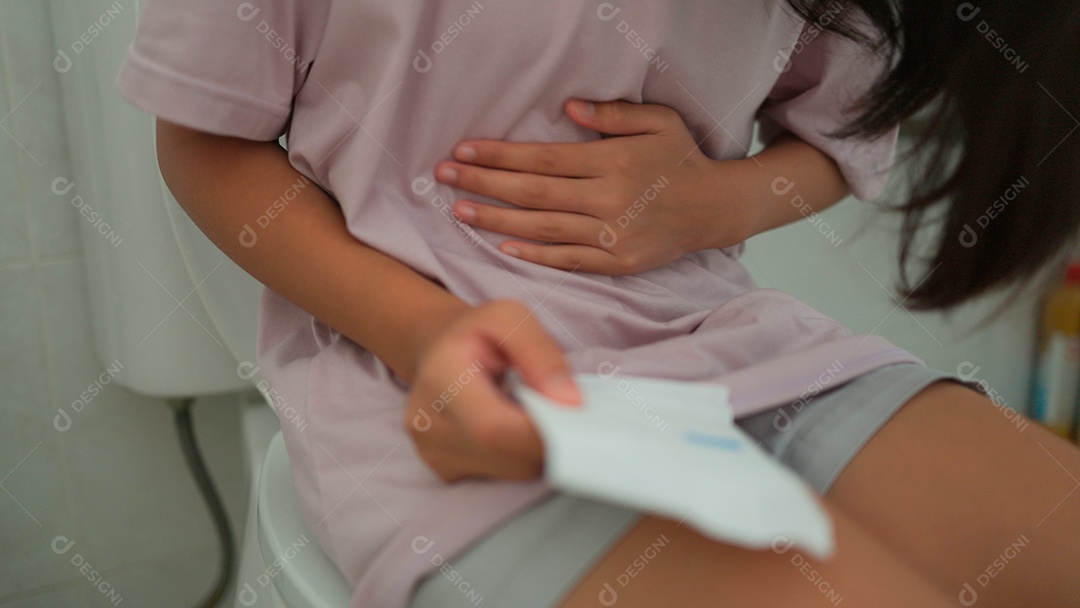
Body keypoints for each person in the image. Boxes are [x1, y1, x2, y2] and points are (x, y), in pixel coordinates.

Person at [118, 0, 1080, 606]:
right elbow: (205, 137)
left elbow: (847, 132)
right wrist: (425, 330)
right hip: (415, 377)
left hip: (725, 337)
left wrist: (719, 202)